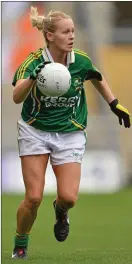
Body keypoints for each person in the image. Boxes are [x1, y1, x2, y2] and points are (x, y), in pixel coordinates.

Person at [11, 6, 131, 259]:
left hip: (70, 133)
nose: (72, 36)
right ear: (50, 36)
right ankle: (21, 242)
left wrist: (114, 104)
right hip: (35, 131)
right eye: (66, 32)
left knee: (68, 197)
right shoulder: (33, 62)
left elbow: (97, 77)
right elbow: (16, 97)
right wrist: (33, 78)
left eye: (73, 31)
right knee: (33, 197)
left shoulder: (81, 60)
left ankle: (61, 211)